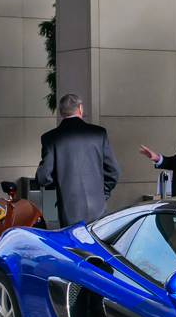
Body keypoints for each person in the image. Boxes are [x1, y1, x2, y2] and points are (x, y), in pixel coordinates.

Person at [35, 93, 120, 226]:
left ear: (60, 112)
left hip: (69, 210)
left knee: (73, 246)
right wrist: (103, 195)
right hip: (98, 208)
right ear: (80, 108)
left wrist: (61, 182)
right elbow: (113, 171)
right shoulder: (98, 133)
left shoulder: (50, 138)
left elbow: (43, 177)